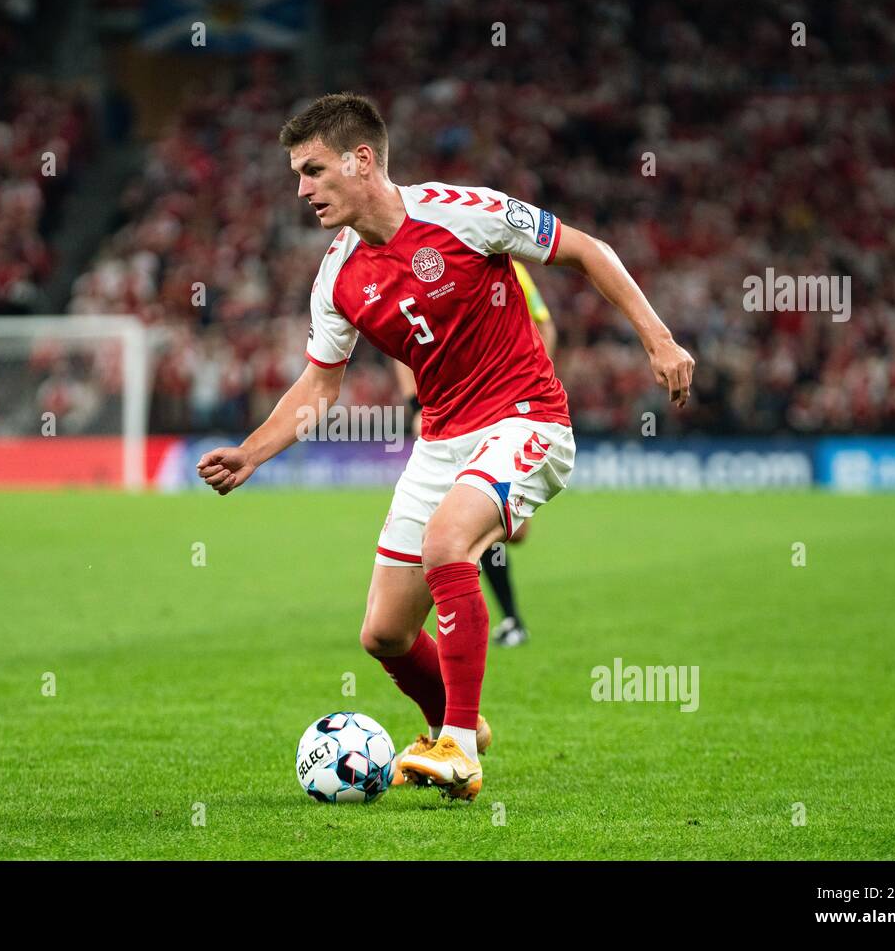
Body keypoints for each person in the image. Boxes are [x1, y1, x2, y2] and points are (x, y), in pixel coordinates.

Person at [197, 93, 694, 801]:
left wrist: (659, 337)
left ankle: (460, 749)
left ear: (360, 159)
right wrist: (251, 453)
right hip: (441, 441)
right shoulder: (337, 277)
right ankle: (456, 723)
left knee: (447, 542)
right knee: (384, 633)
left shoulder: (461, 211)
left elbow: (585, 249)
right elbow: (317, 387)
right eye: (297, 175)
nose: (301, 190)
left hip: (526, 419)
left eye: (311, 170)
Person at [393, 259, 556, 649]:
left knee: (506, 532)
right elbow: (403, 350)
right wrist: (414, 407)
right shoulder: (423, 273)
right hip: (452, 419)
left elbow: (545, 324)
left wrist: (534, 376)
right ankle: (496, 620)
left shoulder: (505, 266)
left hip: (507, 408)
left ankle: (486, 617)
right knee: (464, 525)